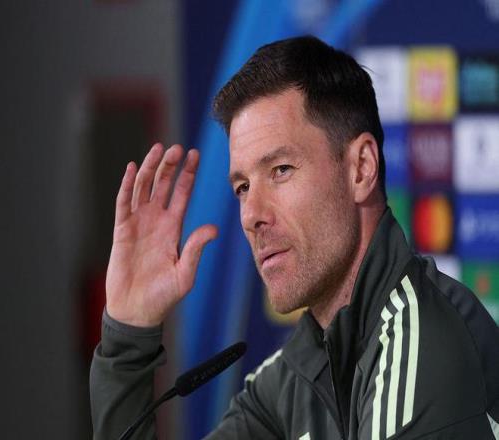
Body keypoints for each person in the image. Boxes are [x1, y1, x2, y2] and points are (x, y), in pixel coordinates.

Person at [90, 36, 499, 439]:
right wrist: (129, 335)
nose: (251, 215)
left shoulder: (423, 345)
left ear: (361, 168)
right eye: (242, 187)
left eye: (281, 170)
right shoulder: (295, 374)